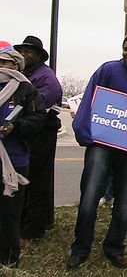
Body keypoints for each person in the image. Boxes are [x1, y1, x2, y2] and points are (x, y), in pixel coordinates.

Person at [66, 34, 127, 269]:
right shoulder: (107, 71)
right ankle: (80, 248)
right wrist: (83, 130)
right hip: (101, 146)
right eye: (125, 48)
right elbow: (90, 99)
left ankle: (115, 247)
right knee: (90, 197)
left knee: (126, 202)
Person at [0, 45, 46, 267]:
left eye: (4, 63)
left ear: (15, 66)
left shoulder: (27, 91)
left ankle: (9, 259)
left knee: (9, 214)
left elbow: (38, 119)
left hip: (14, 162)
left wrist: (15, 127)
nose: (0, 67)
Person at [14, 36, 62, 241]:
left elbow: (38, 104)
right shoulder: (24, 74)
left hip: (42, 134)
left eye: (29, 51)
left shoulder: (46, 77)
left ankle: (34, 230)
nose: (25, 54)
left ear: (39, 55)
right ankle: (25, 222)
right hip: (27, 133)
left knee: (37, 182)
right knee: (24, 179)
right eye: (23, 51)